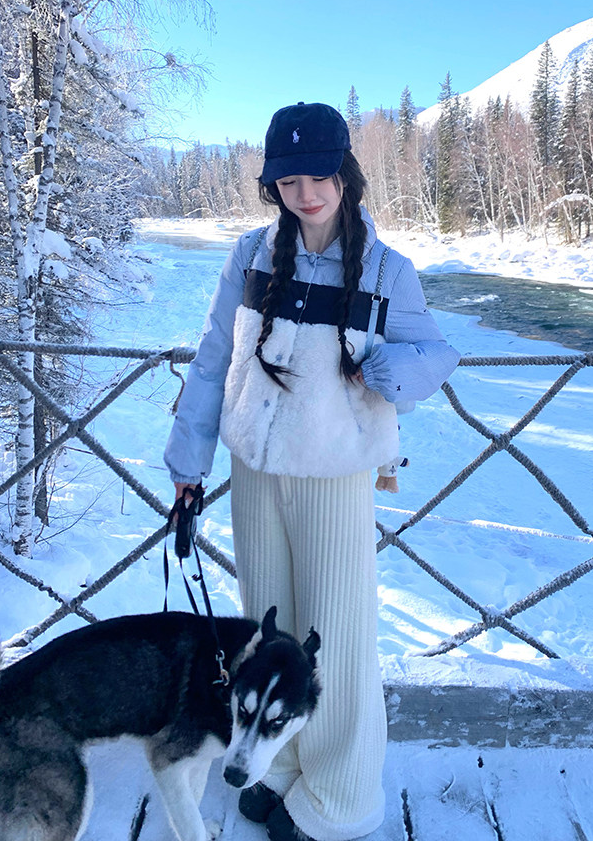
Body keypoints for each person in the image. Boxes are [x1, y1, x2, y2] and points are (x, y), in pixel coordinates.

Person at [164, 101, 460, 841]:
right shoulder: (250, 255)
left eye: (318, 176)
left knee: (337, 638)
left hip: (335, 477)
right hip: (255, 471)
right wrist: (188, 463)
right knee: (270, 629)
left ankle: (339, 796)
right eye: (288, 180)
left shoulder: (388, 269)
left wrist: (388, 370)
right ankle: (281, 765)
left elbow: (437, 355)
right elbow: (214, 359)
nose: (305, 193)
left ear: (344, 174)